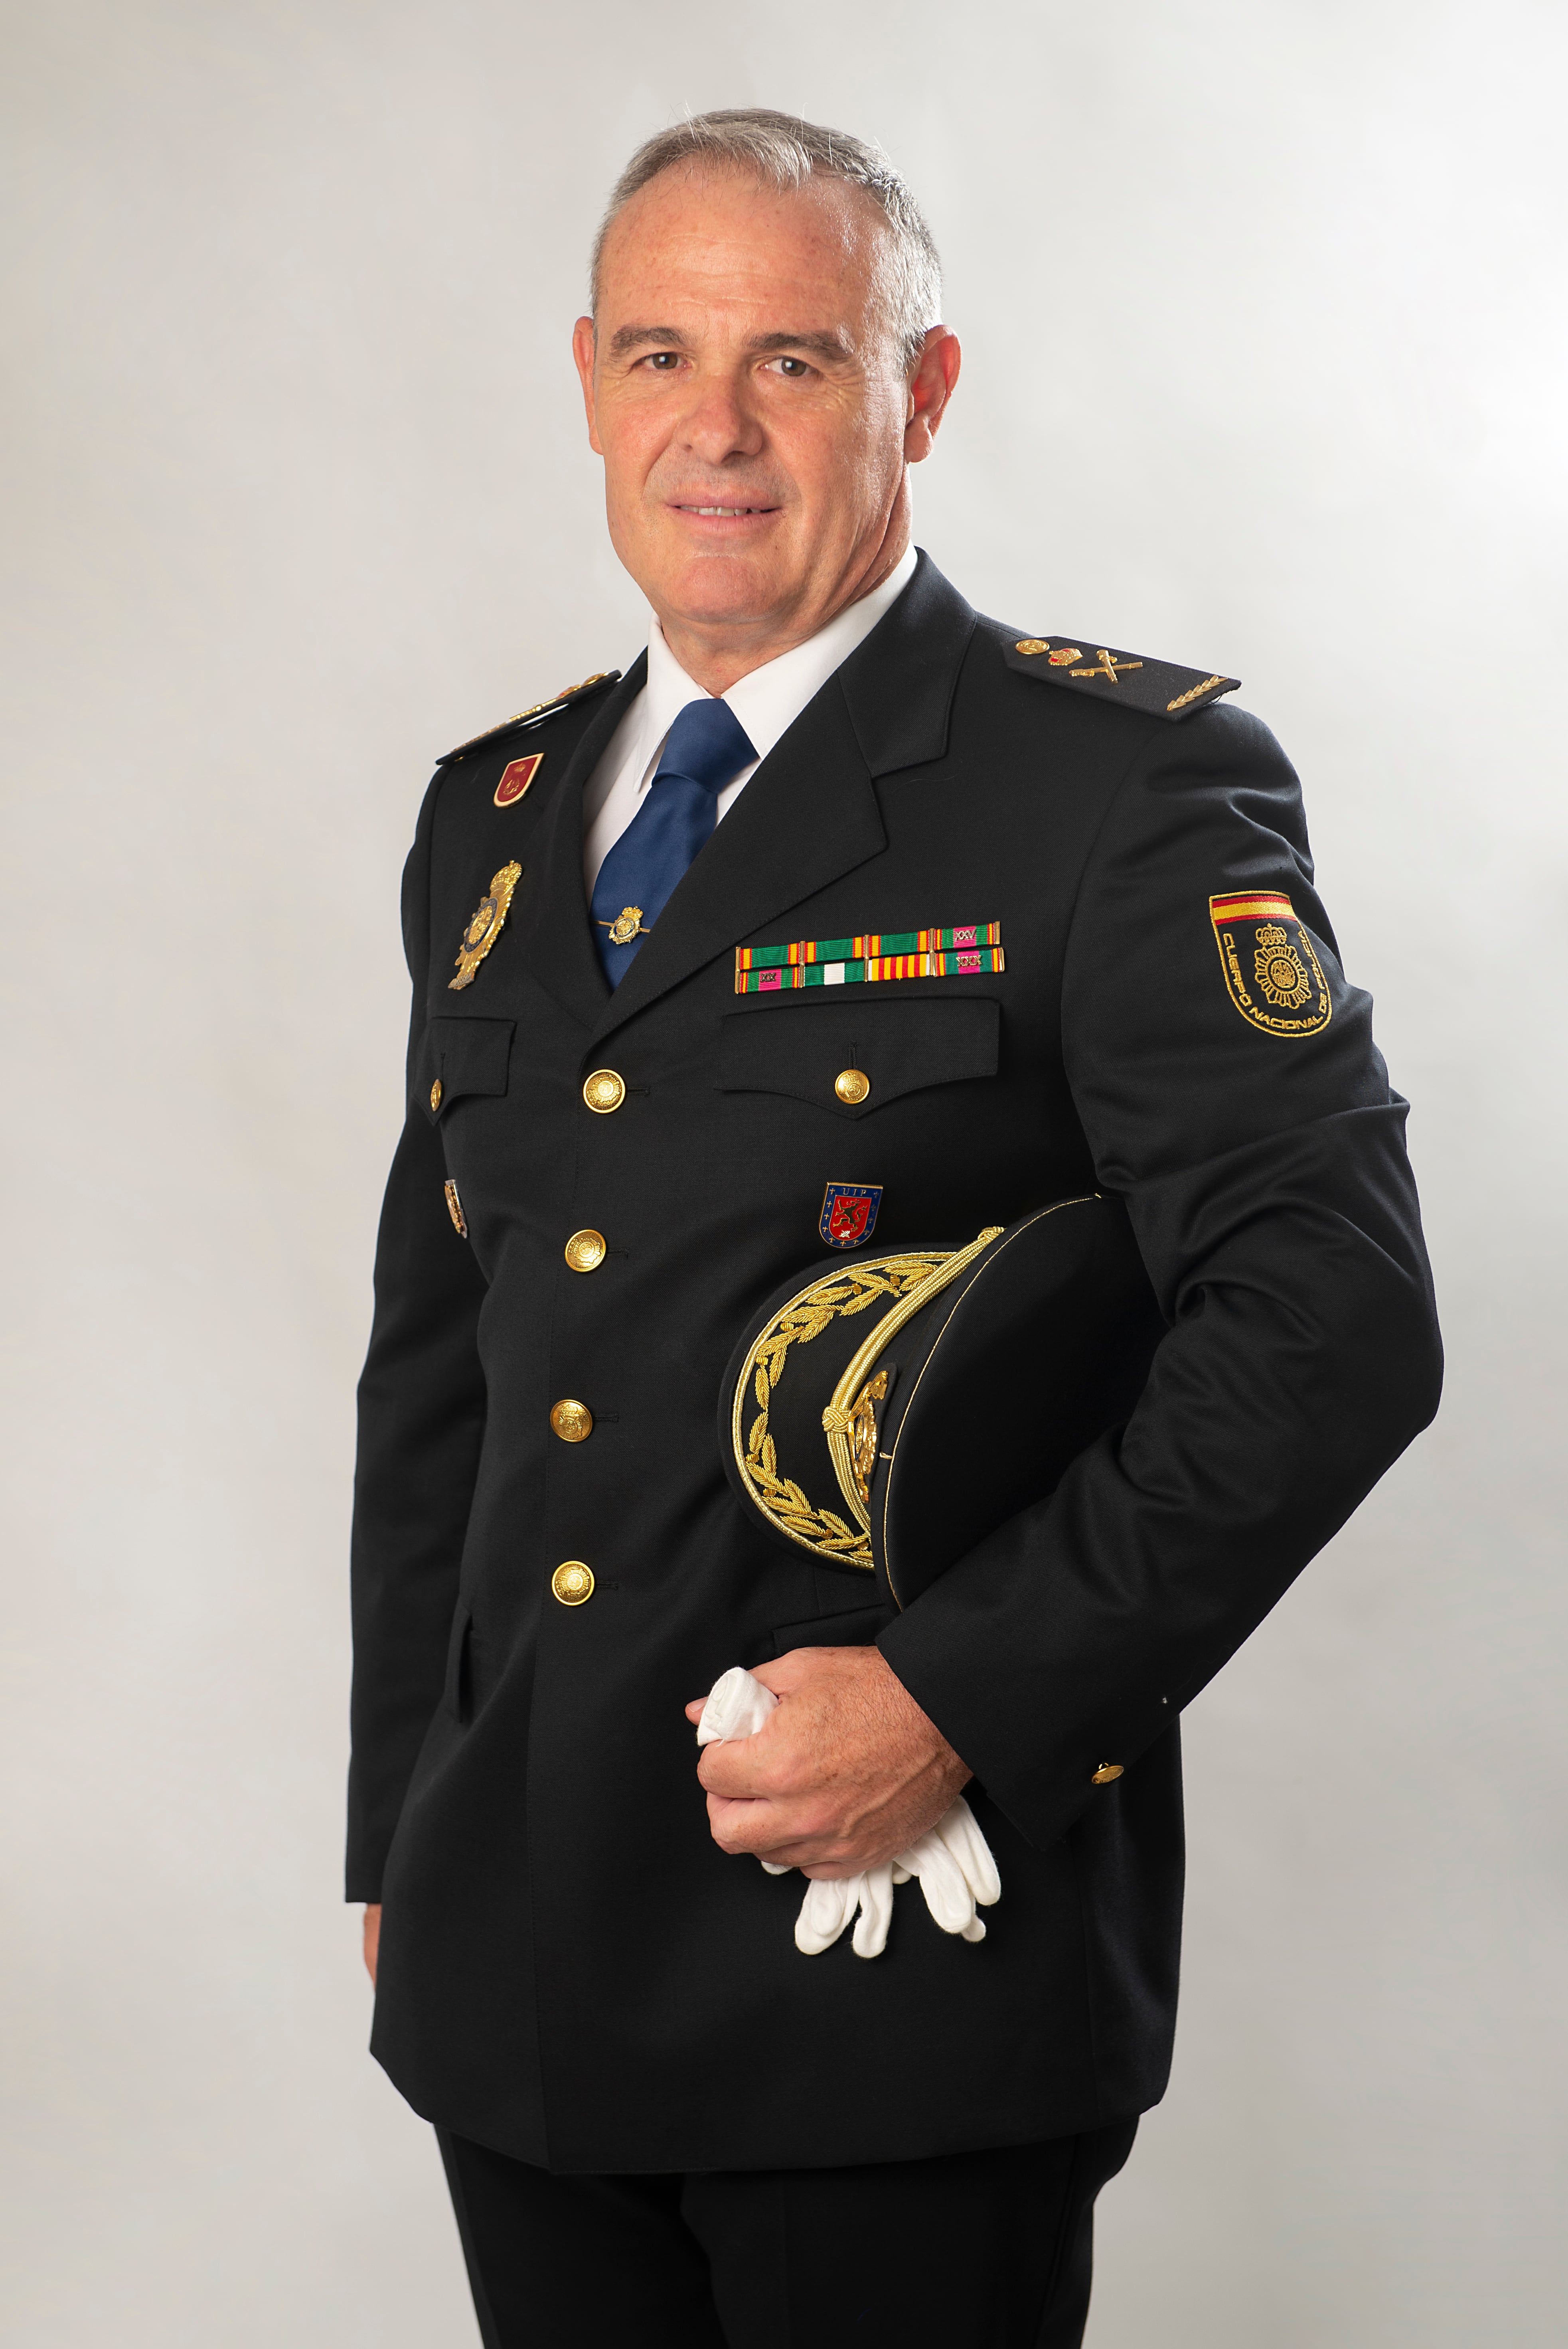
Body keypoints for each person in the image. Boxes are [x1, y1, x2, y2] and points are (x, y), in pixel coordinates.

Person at [347, 109, 1441, 2348]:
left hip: (895, 1973)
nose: (717, 428)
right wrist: (401, 1826)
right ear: (587, 382)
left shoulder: (1112, 789)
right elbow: (446, 1361)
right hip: (523, 1961)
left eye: (798, 359)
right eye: (661, 355)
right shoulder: (498, 814)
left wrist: (964, 1692)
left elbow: (1333, 1316)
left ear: (920, 394)